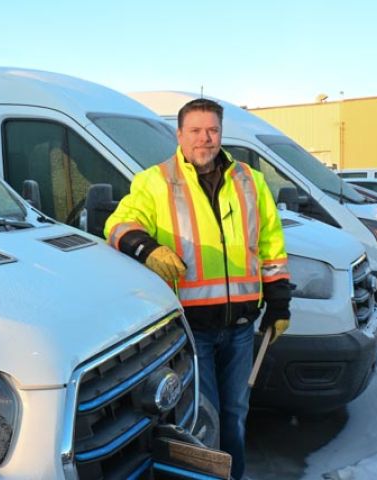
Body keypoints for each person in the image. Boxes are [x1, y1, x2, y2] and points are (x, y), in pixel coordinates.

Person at [104, 98, 291, 480]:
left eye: (212, 130)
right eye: (196, 131)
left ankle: (233, 475)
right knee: (201, 414)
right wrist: (146, 248)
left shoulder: (250, 181)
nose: (205, 139)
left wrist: (279, 302)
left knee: (236, 412)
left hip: (240, 325)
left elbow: (270, 245)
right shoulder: (155, 181)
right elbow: (118, 225)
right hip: (191, 329)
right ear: (179, 134)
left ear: (221, 133)